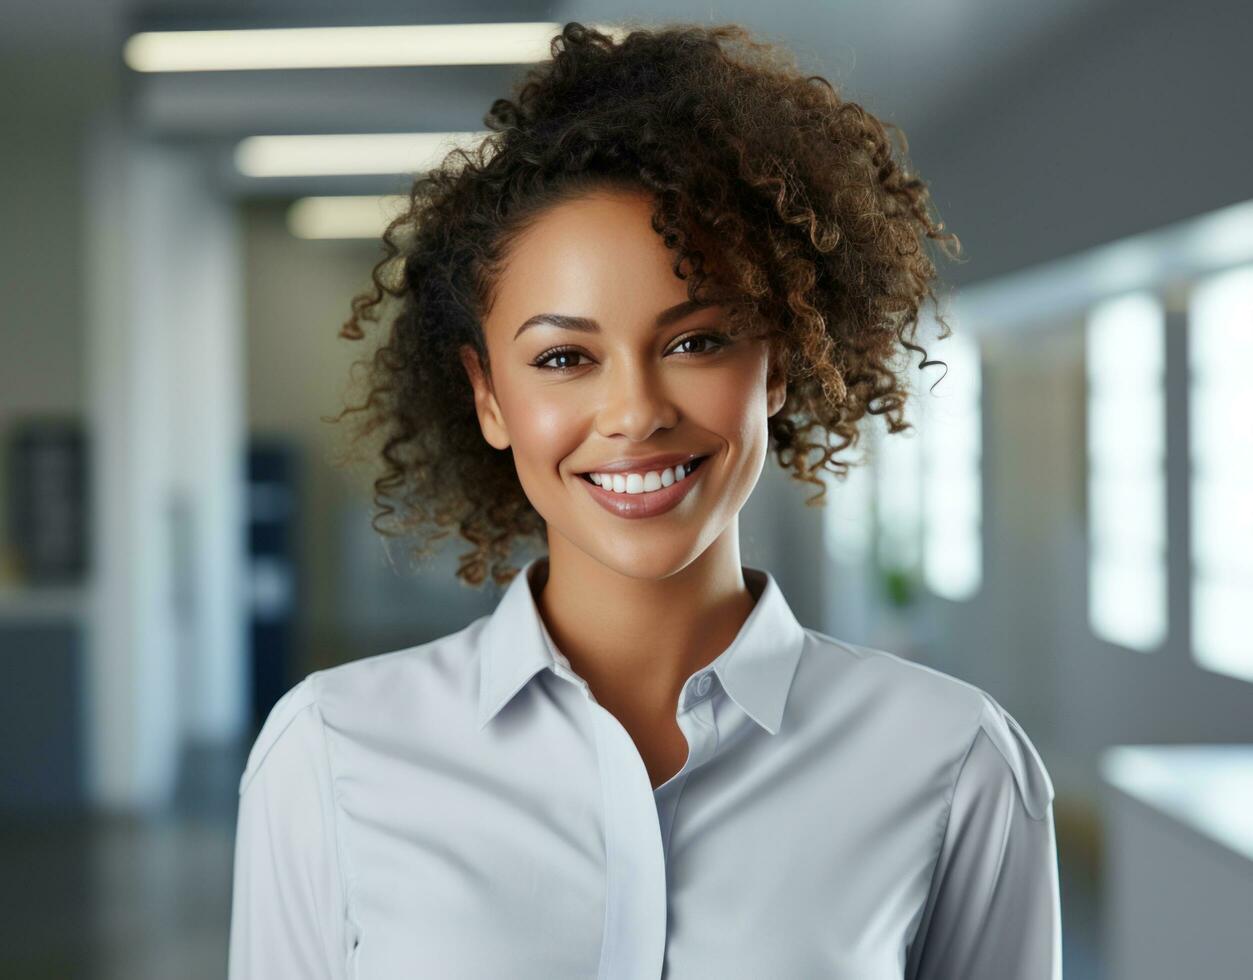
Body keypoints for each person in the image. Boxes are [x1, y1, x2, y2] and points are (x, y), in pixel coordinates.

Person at [227, 21, 1061, 980]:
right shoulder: (329, 751)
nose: (632, 413)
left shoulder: (956, 761)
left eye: (696, 342)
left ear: (777, 364)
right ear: (489, 397)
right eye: (563, 359)